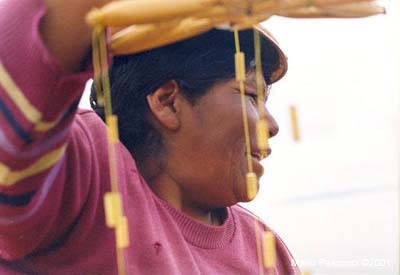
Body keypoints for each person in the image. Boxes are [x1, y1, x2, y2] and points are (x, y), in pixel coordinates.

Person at [0, 0, 300, 274]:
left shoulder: (265, 252)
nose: (272, 125)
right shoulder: (86, 172)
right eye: (250, 95)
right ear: (168, 102)